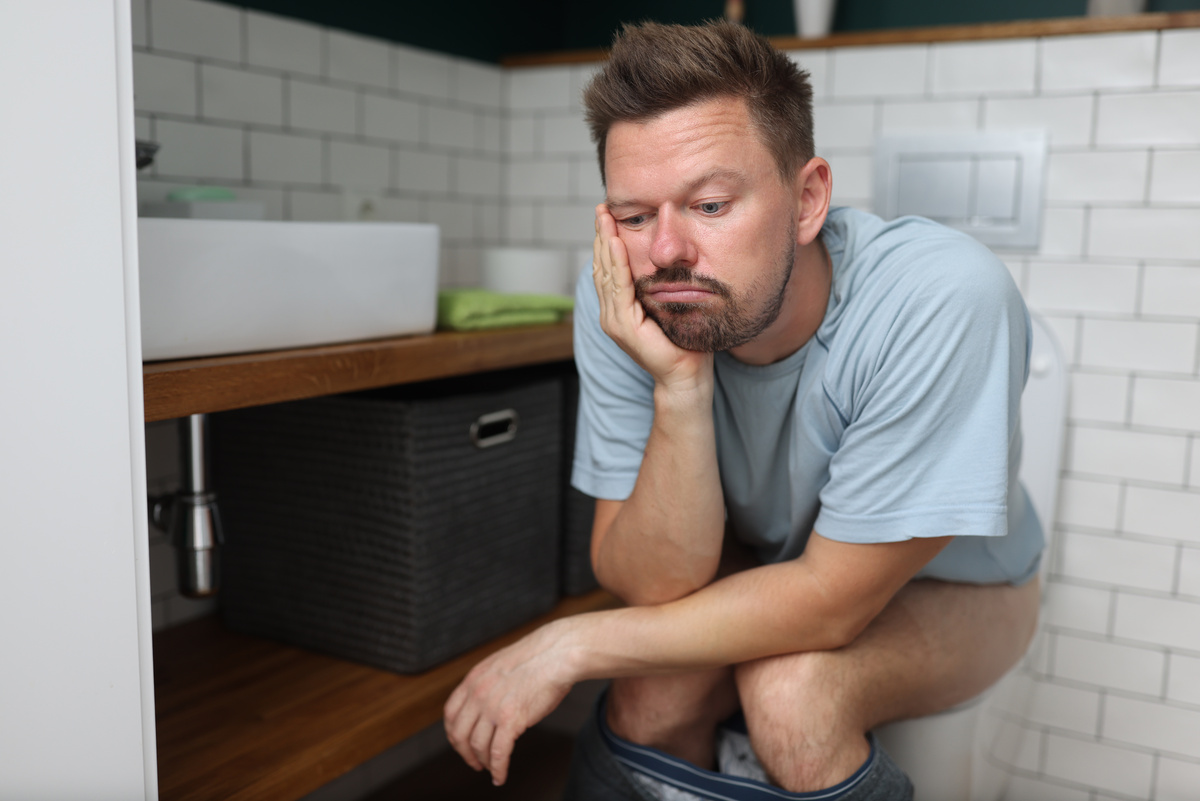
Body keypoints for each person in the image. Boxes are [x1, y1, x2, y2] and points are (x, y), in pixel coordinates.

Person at [444, 19, 1043, 801]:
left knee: (792, 696)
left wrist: (568, 644)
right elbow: (647, 580)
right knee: (651, 695)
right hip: (759, 564)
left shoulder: (939, 299)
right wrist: (679, 386)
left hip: (956, 587)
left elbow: (829, 603)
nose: (666, 251)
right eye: (634, 216)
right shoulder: (627, 300)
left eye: (710, 204)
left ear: (807, 199)